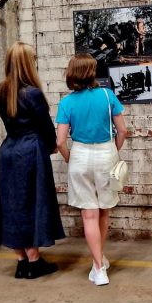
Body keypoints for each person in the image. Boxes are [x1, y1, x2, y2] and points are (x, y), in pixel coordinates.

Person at [56, 54, 128, 286]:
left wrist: (70, 158)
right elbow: (123, 131)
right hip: (106, 154)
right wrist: (113, 152)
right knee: (104, 210)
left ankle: (98, 267)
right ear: (91, 72)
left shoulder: (67, 102)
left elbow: (59, 141)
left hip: (79, 155)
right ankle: (100, 260)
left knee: (89, 213)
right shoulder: (107, 96)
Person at [0, 42, 65, 280]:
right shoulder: (33, 93)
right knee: (32, 203)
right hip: (30, 151)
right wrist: (53, 145)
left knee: (12, 204)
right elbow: (45, 127)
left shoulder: (0, 90)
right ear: (27, 63)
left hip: (9, 151)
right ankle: (34, 261)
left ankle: (21, 261)